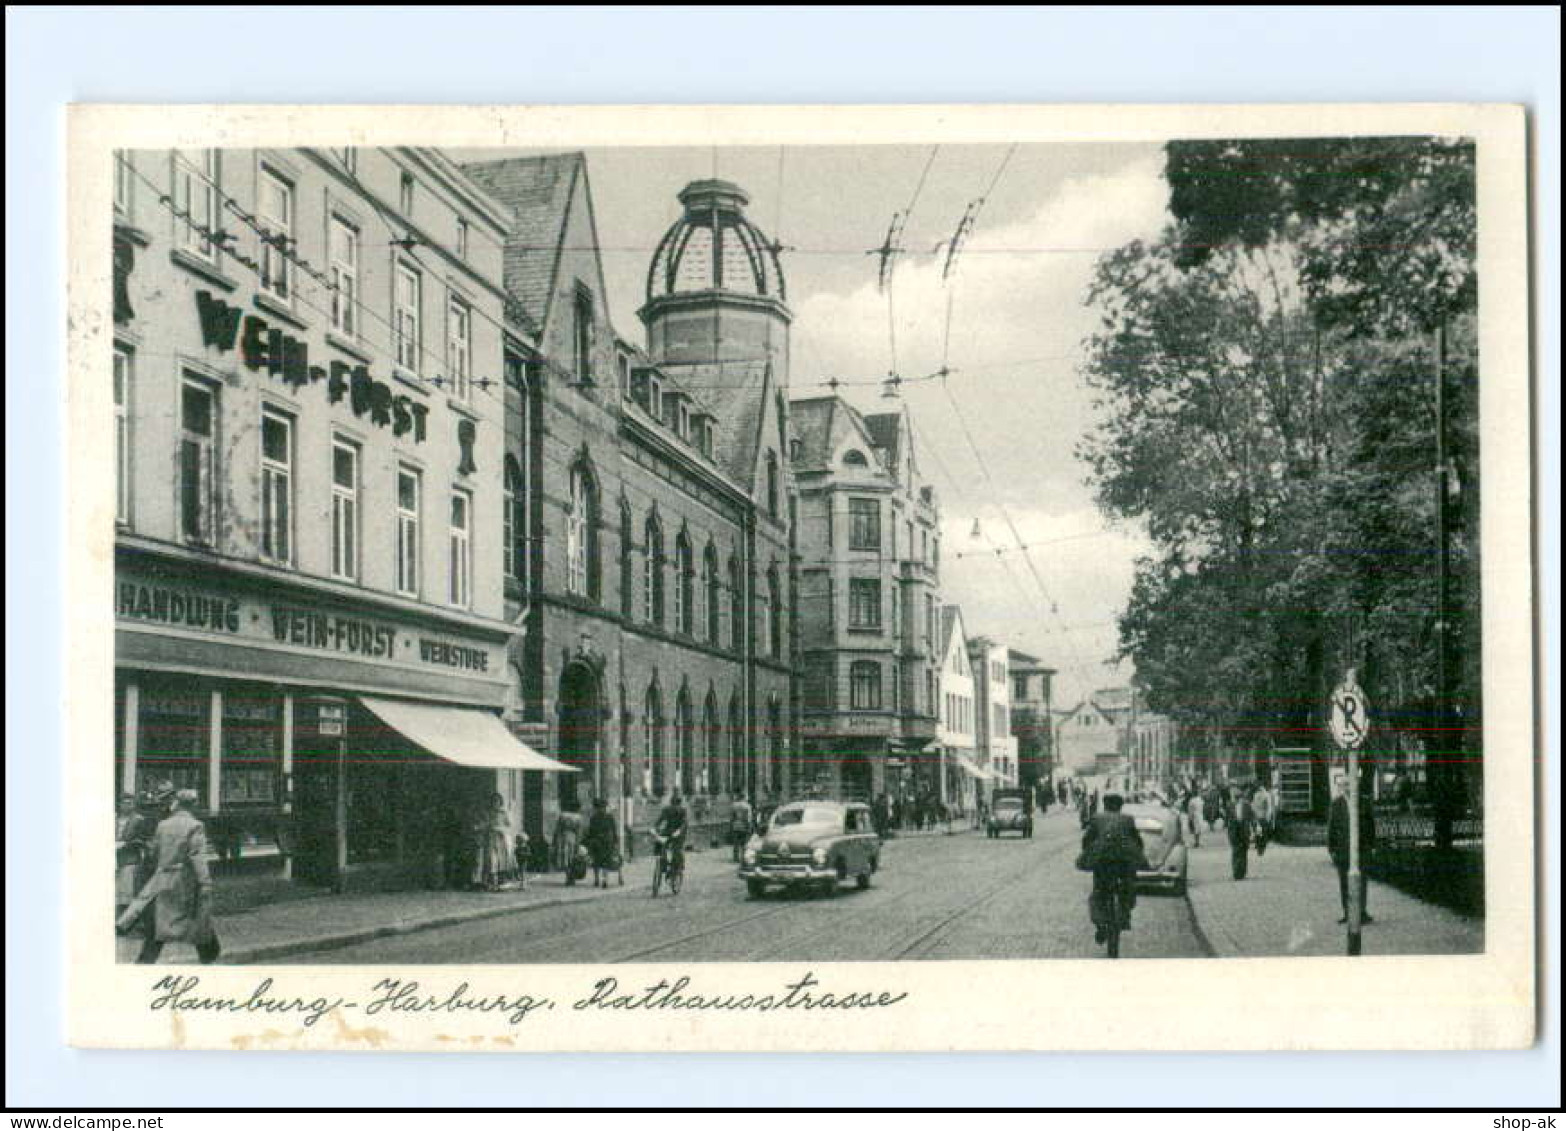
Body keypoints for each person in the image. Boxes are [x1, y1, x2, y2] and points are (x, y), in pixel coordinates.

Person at [117, 786, 221, 965]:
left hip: (162, 879)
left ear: (178, 804)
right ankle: (209, 956)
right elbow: (197, 857)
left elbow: (154, 854)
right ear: (192, 805)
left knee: (161, 923)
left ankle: (145, 961)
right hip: (184, 882)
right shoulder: (196, 826)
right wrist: (205, 883)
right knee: (195, 919)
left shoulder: (163, 825)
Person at [1081, 793, 1146, 942]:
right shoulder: (1128, 819)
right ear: (1120, 806)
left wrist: (1087, 853)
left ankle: (1100, 923)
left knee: (1098, 892)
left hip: (1102, 863)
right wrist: (1139, 854)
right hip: (1123, 862)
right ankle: (1124, 915)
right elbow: (1137, 840)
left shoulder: (1097, 818)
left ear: (1105, 805)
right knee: (1128, 887)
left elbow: (1087, 840)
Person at [1327, 774, 1376, 925]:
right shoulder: (1336, 804)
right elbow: (1331, 827)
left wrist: (1372, 846)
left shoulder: (1364, 802)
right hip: (1343, 850)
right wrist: (1331, 848)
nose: (1346, 788)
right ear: (1340, 788)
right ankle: (1347, 913)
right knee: (1344, 882)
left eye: (1349, 784)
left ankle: (1361, 912)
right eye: (1343, 785)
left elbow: (1370, 825)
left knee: (1361, 881)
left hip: (1361, 848)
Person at [115, 792, 154, 919]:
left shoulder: (139, 820)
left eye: (130, 803)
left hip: (129, 858)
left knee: (126, 890)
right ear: (119, 804)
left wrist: (128, 844)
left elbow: (143, 839)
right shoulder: (112, 818)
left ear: (133, 805)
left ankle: (124, 920)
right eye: (124, 803)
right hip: (112, 857)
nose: (127, 806)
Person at [472, 793, 515, 891]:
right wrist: (479, 827)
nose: (495, 803)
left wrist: (501, 829)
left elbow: (509, 826)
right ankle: (489, 883)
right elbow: (484, 824)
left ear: (500, 802)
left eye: (497, 801)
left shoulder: (503, 813)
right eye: (493, 801)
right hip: (490, 839)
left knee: (501, 861)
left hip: (501, 839)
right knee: (490, 860)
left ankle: (500, 882)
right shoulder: (487, 813)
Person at [651, 792, 688, 887]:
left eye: (676, 804)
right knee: (659, 842)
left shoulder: (683, 811)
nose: (675, 807)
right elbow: (660, 820)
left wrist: (679, 831)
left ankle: (676, 870)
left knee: (676, 850)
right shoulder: (666, 810)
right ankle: (661, 862)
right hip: (668, 831)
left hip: (678, 834)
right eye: (673, 804)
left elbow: (684, 823)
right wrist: (654, 828)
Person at [583, 797, 620, 888]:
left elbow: (613, 830)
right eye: (600, 807)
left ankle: (603, 880)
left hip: (604, 842)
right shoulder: (598, 817)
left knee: (602, 861)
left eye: (603, 807)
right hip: (600, 842)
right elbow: (591, 831)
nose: (602, 809)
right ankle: (598, 880)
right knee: (599, 861)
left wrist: (615, 840)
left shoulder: (605, 817)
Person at [552, 801, 584, 886]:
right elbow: (579, 831)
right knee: (572, 858)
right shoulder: (578, 818)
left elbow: (557, 829)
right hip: (573, 838)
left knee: (565, 858)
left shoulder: (562, 816)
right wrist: (579, 841)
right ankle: (572, 878)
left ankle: (568, 876)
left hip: (562, 838)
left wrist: (554, 840)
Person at [1228, 787, 1256, 879]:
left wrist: (1254, 831)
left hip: (1244, 830)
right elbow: (1228, 820)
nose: (1235, 799)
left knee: (1243, 852)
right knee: (1235, 851)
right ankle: (1236, 872)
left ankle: (1242, 872)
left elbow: (1252, 818)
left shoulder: (1247, 805)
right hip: (1234, 831)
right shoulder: (1230, 806)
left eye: (1236, 797)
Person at [1251, 780, 1275, 856]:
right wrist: (1268, 817)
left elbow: (1253, 806)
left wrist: (1253, 816)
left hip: (1256, 817)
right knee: (1264, 833)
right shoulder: (1266, 795)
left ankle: (1258, 847)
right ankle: (1261, 848)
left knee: (1258, 832)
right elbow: (1268, 807)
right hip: (1263, 817)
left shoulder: (1255, 795)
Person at [729, 796, 754, 862]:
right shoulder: (747, 806)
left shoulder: (734, 806)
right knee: (744, 843)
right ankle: (743, 857)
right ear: (744, 798)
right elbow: (748, 818)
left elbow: (732, 818)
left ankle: (736, 858)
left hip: (736, 826)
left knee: (736, 843)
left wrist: (731, 826)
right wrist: (749, 826)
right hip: (744, 826)